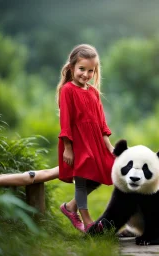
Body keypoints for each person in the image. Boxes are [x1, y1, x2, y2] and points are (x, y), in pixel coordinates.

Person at [57, 44, 115, 233]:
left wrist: (109, 147)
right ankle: (88, 221)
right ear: (72, 67)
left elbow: (101, 123)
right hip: (77, 142)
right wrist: (68, 147)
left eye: (91, 70)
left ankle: (70, 207)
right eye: (82, 69)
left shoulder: (93, 93)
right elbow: (65, 120)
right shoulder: (67, 90)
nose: (86, 74)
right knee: (81, 180)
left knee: (105, 172)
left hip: (95, 142)